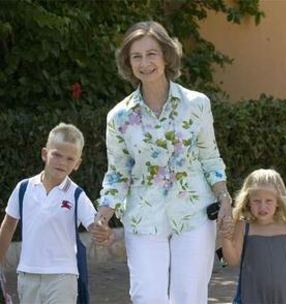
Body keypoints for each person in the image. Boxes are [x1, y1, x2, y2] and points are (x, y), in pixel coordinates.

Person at [94, 21, 231, 304]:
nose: (145, 63)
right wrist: (103, 217)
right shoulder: (118, 117)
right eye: (137, 56)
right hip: (143, 217)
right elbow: (118, 174)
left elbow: (210, 157)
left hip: (193, 213)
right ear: (128, 63)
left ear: (166, 56)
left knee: (190, 296)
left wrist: (225, 198)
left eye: (151, 54)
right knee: (147, 296)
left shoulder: (197, 104)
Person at [0, 122, 109, 304]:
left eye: (69, 159)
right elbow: (8, 225)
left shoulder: (77, 195)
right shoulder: (23, 188)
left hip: (63, 277)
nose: (62, 162)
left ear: (77, 164)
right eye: (57, 155)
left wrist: (102, 232)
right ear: (45, 154)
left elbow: (94, 226)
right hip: (28, 275)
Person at [220, 169, 286, 304]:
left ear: (278, 201)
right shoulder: (244, 227)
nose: (262, 206)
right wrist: (225, 236)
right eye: (256, 201)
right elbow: (232, 260)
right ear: (248, 201)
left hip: (285, 299)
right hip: (251, 298)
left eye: (268, 201)